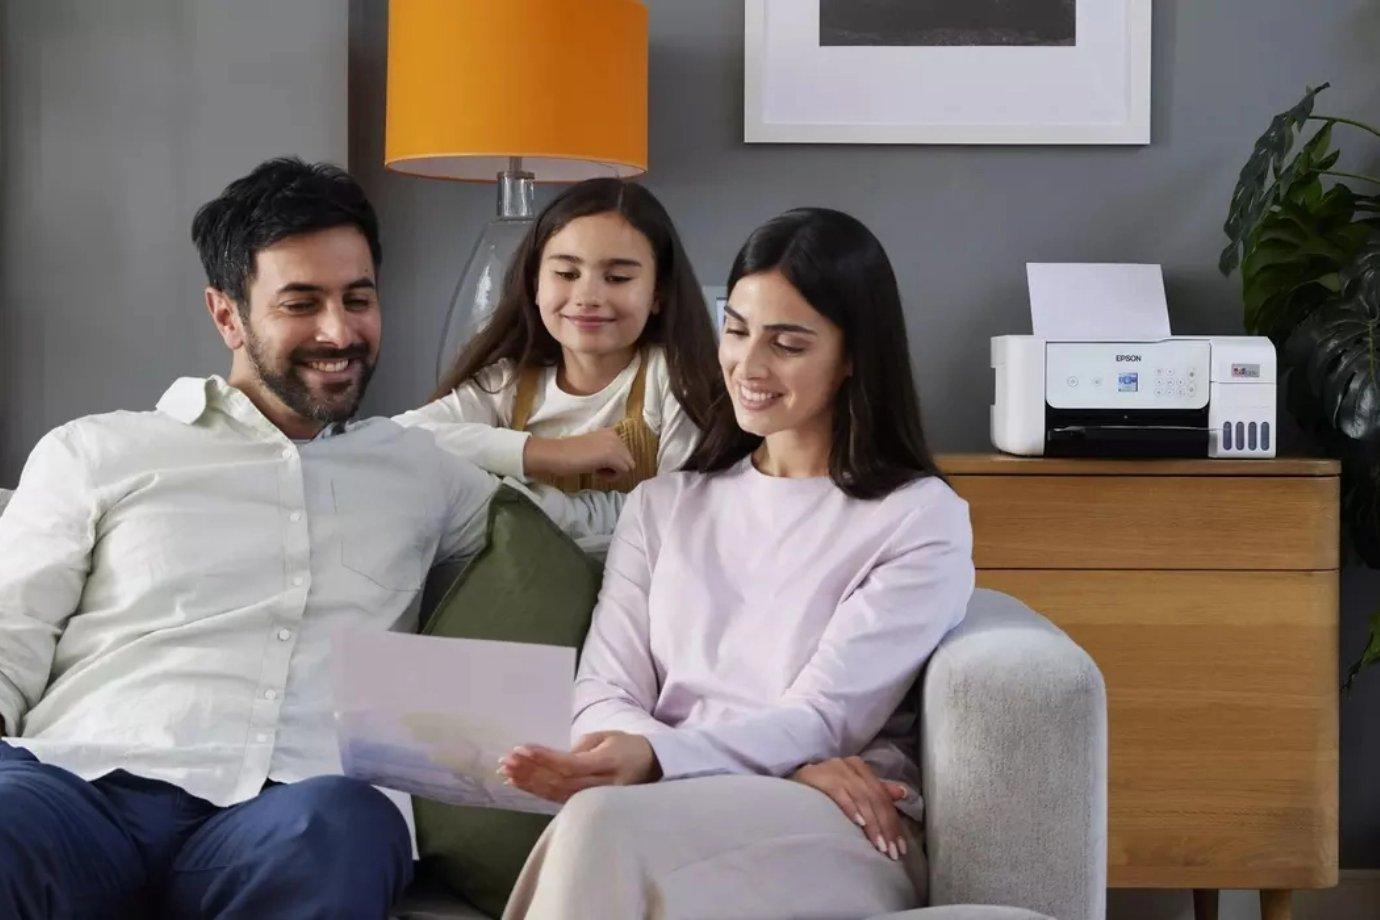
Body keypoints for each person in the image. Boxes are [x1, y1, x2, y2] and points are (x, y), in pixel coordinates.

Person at [0, 157, 600, 919]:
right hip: (86, 790)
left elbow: (587, 541)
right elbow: (8, 635)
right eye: (301, 302)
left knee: (349, 827)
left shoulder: (420, 471)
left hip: (292, 814)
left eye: (358, 299)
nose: (338, 331)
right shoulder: (98, 452)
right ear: (226, 315)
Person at [496, 208, 976, 919]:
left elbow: (824, 719)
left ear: (852, 356)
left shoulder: (916, 517)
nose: (748, 366)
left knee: (599, 821)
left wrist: (660, 757)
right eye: (737, 329)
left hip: (831, 825)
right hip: (700, 799)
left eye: (787, 344)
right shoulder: (665, 505)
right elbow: (603, 695)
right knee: (602, 822)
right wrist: (768, 758)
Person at [396, 178, 720, 550]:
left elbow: (675, 521)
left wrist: (522, 502)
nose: (587, 297)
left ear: (658, 293)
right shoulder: (510, 382)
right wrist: (552, 453)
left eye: (617, 278)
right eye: (566, 274)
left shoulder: (672, 378)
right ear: (535, 282)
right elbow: (402, 437)